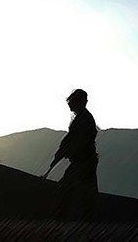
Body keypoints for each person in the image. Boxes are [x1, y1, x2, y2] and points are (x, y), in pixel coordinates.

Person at [43, 89, 99, 221]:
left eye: (72, 101)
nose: (69, 105)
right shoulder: (83, 118)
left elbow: (76, 140)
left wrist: (64, 151)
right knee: (86, 192)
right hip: (85, 161)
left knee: (67, 187)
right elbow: (72, 139)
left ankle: (62, 217)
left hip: (84, 162)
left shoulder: (83, 119)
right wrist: (63, 151)